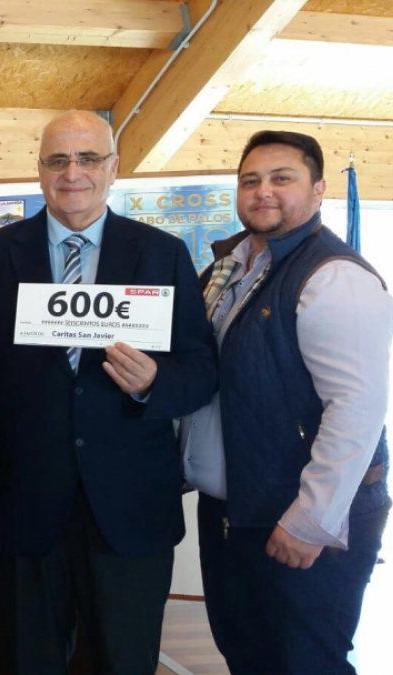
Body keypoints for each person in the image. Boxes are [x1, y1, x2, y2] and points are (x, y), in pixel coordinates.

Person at [0, 110, 218, 674]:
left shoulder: (163, 253)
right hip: (25, 503)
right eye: (58, 160)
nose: (72, 172)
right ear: (40, 170)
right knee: (29, 662)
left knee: (126, 662)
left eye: (88, 158)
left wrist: (154, 383)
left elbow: (200, 370)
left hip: (130, 508)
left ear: (113, 168)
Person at [180, 130, 392, 674]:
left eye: (282, 178)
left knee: (305, 662)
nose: (263, 191)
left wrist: (311, 521)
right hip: (235, 508)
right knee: (248, 655)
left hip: (297, 514)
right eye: (250, 180)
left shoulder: (334, 276)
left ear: (318, 190)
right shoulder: (230, 267)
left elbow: (356, 408)